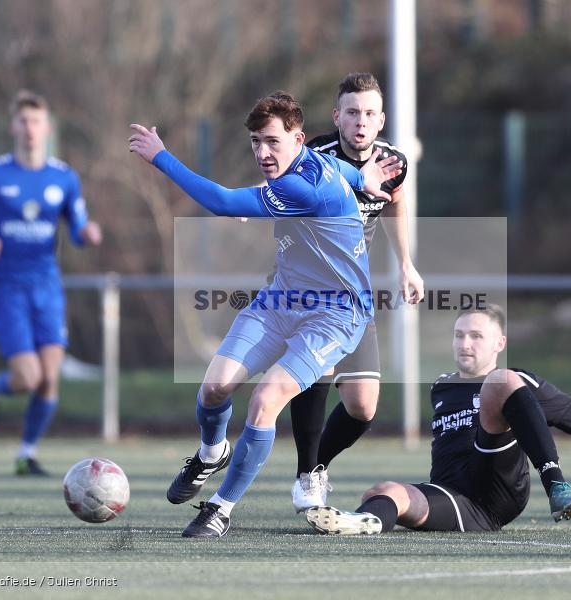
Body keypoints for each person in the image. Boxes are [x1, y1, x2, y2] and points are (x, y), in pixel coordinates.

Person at [128, 91, 403, 538]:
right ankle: (212, 452)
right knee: (215, 386)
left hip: (334, 316)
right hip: (279, 302)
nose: (262, 152)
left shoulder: (304, 185)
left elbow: (220, 202)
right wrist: (363, 176)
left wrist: (161, 157)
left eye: (272, 141)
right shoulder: (319, 162)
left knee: (264, 400)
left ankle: (220, 508)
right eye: (256, 141)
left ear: (297, 139)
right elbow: (343, 171)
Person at [306, 306, 571, 535]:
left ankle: (556, 486)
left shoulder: (515, 382)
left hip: (497, 492)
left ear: (499, 344)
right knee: (382, 492)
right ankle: (363, 525)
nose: (465, 344)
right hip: (453, 498)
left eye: (476, 337)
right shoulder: (442, 386)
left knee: (499, 382)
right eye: (459, 335)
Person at [288, 72, 425, 513]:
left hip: (354, 292)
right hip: (308, 289)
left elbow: (396, 201)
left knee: (363, 407)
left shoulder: (392, 162)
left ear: (381, 120)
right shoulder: (314, 158)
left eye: (368, 113)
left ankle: (318, 465)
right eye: (351, 112)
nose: (360, 121)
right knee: (317, 376)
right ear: (337, 117)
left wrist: (406, 264)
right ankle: (306, 474)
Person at [0, 89, 102, 476]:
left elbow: (75, 229)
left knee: (49, 378)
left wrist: (86, 234)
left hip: (47, 287)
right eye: (23, 121)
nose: (29, 128)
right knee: (28, 377)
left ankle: (27, 452)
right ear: (13, 126)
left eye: (36, 121)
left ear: (47, 127)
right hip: (6, 287)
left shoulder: (63, 177)